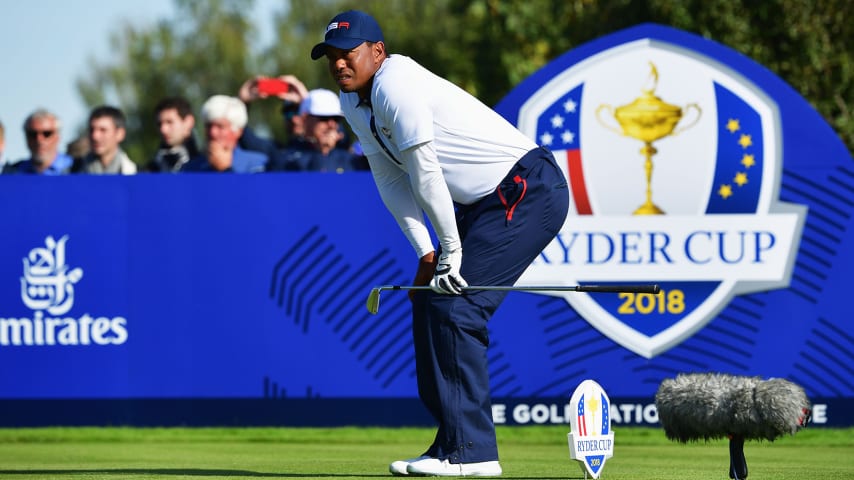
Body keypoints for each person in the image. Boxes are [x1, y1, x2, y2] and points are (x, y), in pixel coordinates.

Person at [311, 10, 569, 477]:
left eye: (347, 54)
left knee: (457, 307)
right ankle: (451, 443)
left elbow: (425, 172)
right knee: (431, 302)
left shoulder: (395, 85)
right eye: (330, 57)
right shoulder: (354, 104)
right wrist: (427, 254)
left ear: (377, 52)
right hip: (481, 205)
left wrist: (450, 251)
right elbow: (392, 180)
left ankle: (475, 454)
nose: (338, 65)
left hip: (526, 188)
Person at [267, 88, 369, 172]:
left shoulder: (352, 161)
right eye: (323, 118)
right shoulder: (285, 160)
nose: (331, 124)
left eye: (336, 119)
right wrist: (322, 150)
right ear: (305, 119)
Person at [180, 94, 267, 173]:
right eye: (208, 126)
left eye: (220, 126)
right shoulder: (190, 168)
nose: (212, 132)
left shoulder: (258, 165)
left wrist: (225, 170)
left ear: (238, 131)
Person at [2, 109, 74, 174]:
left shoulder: (77, 169)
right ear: (26, 136)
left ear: (58, 137)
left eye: (46, 134)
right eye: (33, 134)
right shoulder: (12, 173)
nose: (39, 140)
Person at [76, 105, 137, 174]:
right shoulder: (72, 171)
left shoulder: (137, 174)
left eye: (103, 130)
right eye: (91, 130)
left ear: (120, 134)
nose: (95, 136)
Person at [147, 96, 200, 173]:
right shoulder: (151, 170)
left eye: (169, 122)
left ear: (189, 122)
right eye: (159, 124)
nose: (163, 130)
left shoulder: (206, 165)